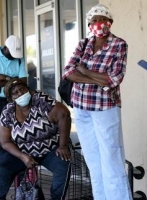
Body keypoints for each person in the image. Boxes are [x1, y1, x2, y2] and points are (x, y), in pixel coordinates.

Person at [62, 4, 131, 200]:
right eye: (94, 21)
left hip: (105, 108)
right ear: (88, 24)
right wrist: (97, 78)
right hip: (82, 108)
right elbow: (68, 73)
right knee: (92, 159)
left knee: (111, 158)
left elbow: (114, 79)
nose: (98, 24)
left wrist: (84, 71)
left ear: (110, 23)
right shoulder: (83, 44)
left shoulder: (119, 44)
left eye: (102, 20)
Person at [0, 79, 71, 200]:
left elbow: (64, 114)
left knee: (63, 164)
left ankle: (56, 197)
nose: (20, 93)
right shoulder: (8, 111)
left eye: (22, 89)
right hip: (20, 152)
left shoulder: (40, 99)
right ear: (11, 98)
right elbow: (4, 141)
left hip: (49, 149)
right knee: (1, 163)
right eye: (15, 92)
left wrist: (63, 146)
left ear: (28, 89)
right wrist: (23, 156)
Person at [0, 35, 27, 166]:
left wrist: (3, 78)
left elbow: (23, 82)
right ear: (5, 49)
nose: (14, 57)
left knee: (17, 134)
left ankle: (15, 169)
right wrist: (13, 79)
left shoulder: (19, 58)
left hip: (14, 102)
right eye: (12, 54)